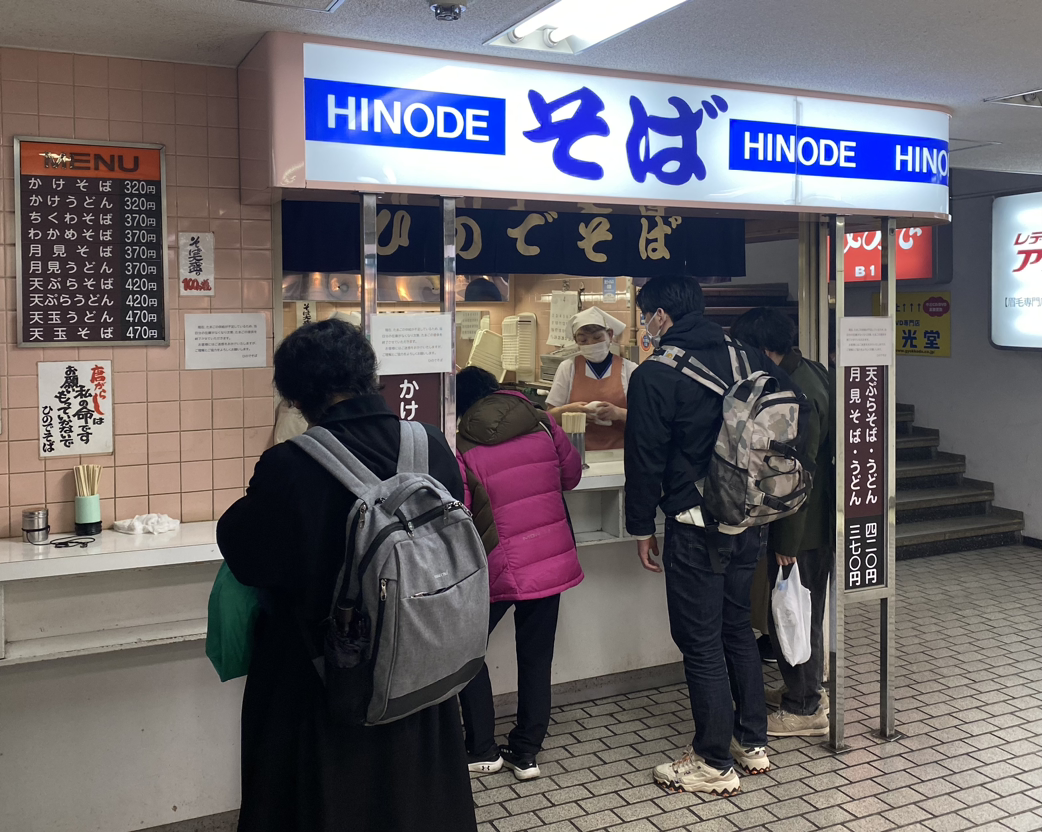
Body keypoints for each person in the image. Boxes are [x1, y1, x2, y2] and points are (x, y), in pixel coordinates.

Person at [217, 319, 477, 832]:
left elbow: (248, 556)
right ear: (368, 374)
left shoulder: (289, 465)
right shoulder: (429, 444)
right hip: (418, 667)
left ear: (296, 397)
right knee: (416, 803)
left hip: (321, 681)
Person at [624, 276, 800, 796]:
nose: (645, 324)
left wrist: (640, 526)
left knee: (699, 642)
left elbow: (645, 458)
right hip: (749, 519)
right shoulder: (749, 356)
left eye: (646, 315)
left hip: (694, 524)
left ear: (661, 316)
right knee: (736, 628)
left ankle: (712, 761)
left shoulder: (656, 373)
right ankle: (752, 741)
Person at [455, 367, 583, 780]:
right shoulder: (543, 423)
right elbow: (571, 476)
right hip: (550, 559)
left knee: (466, 650)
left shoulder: (462, 443)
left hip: (498, 565)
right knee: (536, 658)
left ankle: (482, 748)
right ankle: (526, 752)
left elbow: (460, 509)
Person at [730, 307, 833, 738]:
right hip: (817, 519)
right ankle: (807, 691)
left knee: (792, 613)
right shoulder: (811, 370)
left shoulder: (795, 392)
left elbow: (797, 472)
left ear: (762, 349)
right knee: (806, 610)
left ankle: (803, 706)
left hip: (802, 525)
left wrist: (786, 540)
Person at [546, 307, 637, 450]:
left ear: (610, 335)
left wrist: (618, 413)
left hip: (621, 453)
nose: (591, 344)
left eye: (597, 338)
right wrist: (569, 411)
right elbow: (549, 418)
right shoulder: (568, 368)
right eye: (583, 340)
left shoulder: (629, 370)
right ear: (576, 341)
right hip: (577, 452)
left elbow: (645, 419)